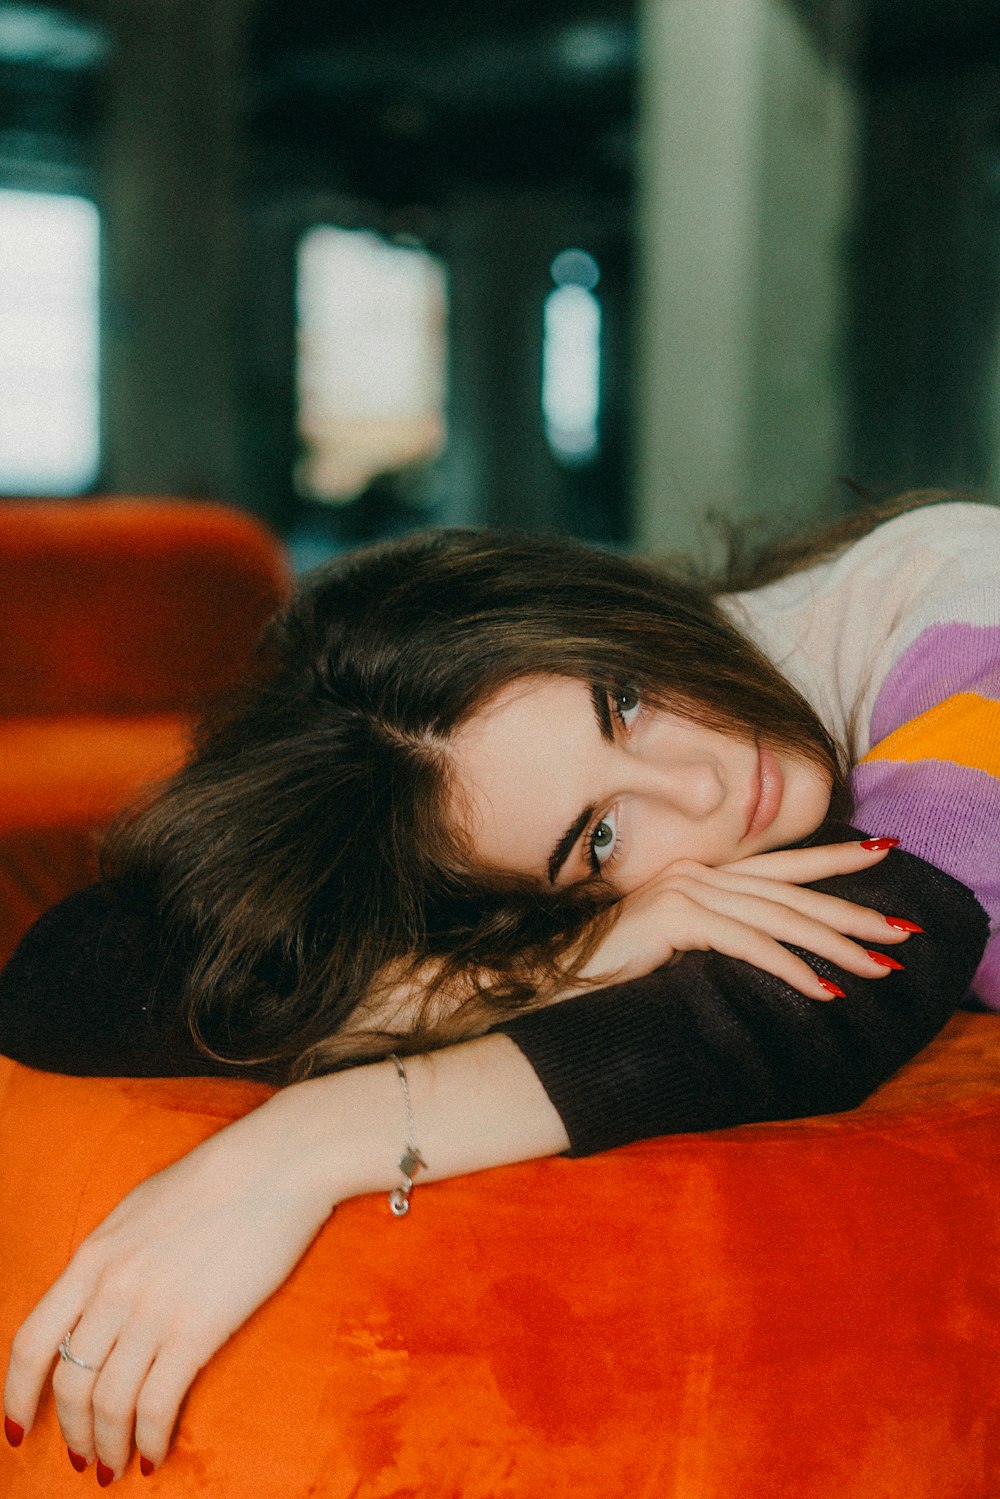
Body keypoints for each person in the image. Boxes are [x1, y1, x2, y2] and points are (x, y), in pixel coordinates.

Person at [2, 494, 996, 1482]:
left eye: (626, 702)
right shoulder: (570, 848)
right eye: (599, 837)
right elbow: (67, 975)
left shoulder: (954, 610)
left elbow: (872, 953)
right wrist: (566, 959)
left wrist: (307, 1142)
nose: (700, 782)